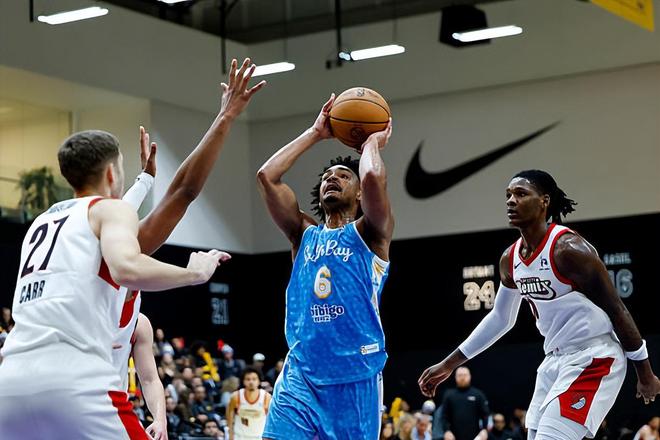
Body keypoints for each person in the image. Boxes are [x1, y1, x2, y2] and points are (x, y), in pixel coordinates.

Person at [0, 126, 226, 439]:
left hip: (11, 385)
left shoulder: (44, 222)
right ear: (111, 173)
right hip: (74, 384)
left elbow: (113, 214)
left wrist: (145, 179)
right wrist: (193, 274)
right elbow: (126, 266)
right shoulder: (110, 214)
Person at [419, 170, 660, 440]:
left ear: (544, 201)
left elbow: (617, 310)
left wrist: (645, 372)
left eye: (521, 194)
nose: (511, 201)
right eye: (508, 195)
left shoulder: (569, 250)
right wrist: (448, 364)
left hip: (594, 356)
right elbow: (500, 318)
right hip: (554, 359)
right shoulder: (510, 259)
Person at [110, 57, 264, 439]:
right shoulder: (110, 253)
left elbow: (149, 377)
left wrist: (160, 418)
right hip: (85, 401)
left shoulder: (135, 318)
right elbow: (183, 192)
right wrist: (225, 117)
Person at [256, 93, 394, 439]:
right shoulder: (303, 235)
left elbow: (373, 178)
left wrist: (371, 144)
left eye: (344, 176)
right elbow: (267, 176)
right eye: (327, 177)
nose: (332, 178)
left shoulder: (371, 234)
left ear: (359, 193)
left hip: (356, 376)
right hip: (302, 375)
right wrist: (315, 133)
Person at [440, 367, 489, 440]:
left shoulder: (478, 394)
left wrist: (484, 430)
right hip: (453, 436)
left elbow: (485, 415)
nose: (462, 377)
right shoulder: (449, 395)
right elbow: (444, 416)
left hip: (475, 436)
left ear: (470, 376)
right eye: (460, 375)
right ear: (455, 377)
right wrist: (446, 431)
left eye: (465, 375)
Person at [226, 367, 272, 439]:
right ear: (243, 381)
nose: (251, 382)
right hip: (240, 436)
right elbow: (229, 417)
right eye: (248, 379)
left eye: (254, 379)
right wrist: (230, 434)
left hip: (259, 436)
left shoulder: (266, 397)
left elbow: (270, 419)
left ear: (259, 381)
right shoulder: (236, 396)